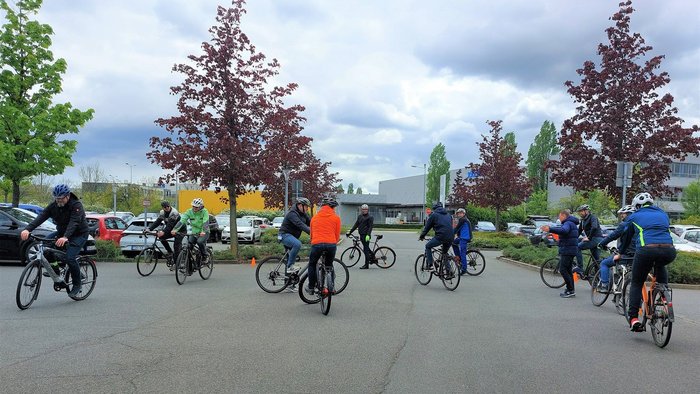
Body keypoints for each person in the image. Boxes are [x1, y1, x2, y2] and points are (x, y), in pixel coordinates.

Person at [619, 193, 676, 332]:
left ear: (637, 206)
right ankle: (663, 297)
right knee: (660, 265)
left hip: (646, 250)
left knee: (637, 282)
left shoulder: (634, 216)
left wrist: (621, 252)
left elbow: (626, 237)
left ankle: (634, 319)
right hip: (669, 251)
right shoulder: (663, 214)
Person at [20, 184, 90, 297]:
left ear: (67, 196)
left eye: (61, 198)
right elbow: (41, 216)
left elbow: (74, 222)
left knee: (70, 257)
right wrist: (27, 229)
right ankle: (56, 271)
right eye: (57, 198)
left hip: (79, 234)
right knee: (46, 247)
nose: (59, 200)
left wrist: (65, 237)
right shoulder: (54, 206)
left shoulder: (76, 205)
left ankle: (77, 284)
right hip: (61, 233)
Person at [305, 196, 341, 295]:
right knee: (329, 266)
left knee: (312, 264)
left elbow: (312, 234)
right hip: (331, 245)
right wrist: (333, 242)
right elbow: (337, 236)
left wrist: (313, 242)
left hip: (317, 244)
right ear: (332, 207)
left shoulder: (314, 218)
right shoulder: (336, 218)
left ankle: (311, 287)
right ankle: (332, 287)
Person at [595, 205, 637, 291]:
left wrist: (601, 244)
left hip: (625, 254)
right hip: (638, 255)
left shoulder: (624, 225)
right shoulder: (639, 225)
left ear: (629, 214)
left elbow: (612, 236)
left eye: (623, 214)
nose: (621, 216)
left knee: (604, 263)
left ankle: (605, 285)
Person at [542, 210, 580, 298]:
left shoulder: (568, 223)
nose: (559, 218)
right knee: (568, 270)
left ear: (564, 215)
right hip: (571, 249)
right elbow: (566, 234)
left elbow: (564, 231)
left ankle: (570, 290)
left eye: (560, 216)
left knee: (563, 270)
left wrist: (550, 229)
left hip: (568, 250)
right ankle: (570, 290)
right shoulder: (571, 223)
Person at [146, 200, 186, 271]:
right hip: (171, 230)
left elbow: (170, 225)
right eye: (165, 207)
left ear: (169, 205)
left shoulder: (174, 212)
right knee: (161, 237)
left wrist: (163, 231)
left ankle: (176, 264)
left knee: (176, 245)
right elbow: (157, 222)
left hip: (180, 230)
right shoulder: (162, 212)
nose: (167, 208)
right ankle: (170, 252)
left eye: (168, 206)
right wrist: (149, 228)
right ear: (163, 208)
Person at [278, 197, 311, 275]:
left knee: (290, 259)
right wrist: (311, 232)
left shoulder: (303, 214)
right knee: (297, 244)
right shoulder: (292, 213)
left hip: (292, 237)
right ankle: (290, 266)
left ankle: (288, 283)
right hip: (284, 235)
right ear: (300, 205)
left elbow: (311, 223)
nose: (307, 208)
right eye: (306, 206)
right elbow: (300, 225)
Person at [419, 202, 454, 273]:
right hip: (451, 237)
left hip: (441, 236)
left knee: (428, 246)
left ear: (434, 208)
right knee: (444, 253)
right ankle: (449, 271)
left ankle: (430, 265)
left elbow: (427, 227)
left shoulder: (434, 215)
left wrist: (422, 236)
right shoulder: (449, 215)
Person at [172, 198, 210, 263]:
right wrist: (175, 229)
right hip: (194, 232)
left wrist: (203, 231)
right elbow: (182, 220)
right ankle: (189, 268)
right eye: (193, 206)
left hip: (204, 232)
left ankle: (205, 255)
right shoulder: (189, 211)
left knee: (200, 242)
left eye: (196, 207)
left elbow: (205, 222)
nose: (194, 208)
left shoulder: (204, 211)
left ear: (201, 207)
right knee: (188, 247)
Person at [575, 204, 603, 278]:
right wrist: (573, 239)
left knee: (577, 247)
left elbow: (594, 227)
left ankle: (580, 267)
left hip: (596, 239)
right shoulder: (583, 220)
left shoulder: (592, 217)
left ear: (586, 211)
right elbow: (579, 230)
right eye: (579, 212)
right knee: (596, 261)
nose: (580, 213)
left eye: (581, 211)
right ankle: (598, 279)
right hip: (594, 240)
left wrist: (589, 238)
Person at [347, 203, 374, 269]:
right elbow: (356, 225)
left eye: (366, 209)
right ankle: (372, 256)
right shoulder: (360, 216)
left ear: (368, 210)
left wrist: (368, 235)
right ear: (361, 210)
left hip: (366, 236)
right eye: (363, 209)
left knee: (366, 250)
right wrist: (350, 232)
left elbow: (370, 227)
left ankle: (366, 265)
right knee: (366, 248)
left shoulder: (370, 217)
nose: (364, 210)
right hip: (361, 235)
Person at [451, 208, 473, 275]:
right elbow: (458, 229)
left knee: (462, 252)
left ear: (463, 214)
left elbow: (456, 228)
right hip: (462, 237)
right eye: (458, 213)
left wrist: (450, 234)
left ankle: (464, 269)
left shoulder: (463, 220)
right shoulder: (463, 219)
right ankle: (458, 257)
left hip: (465, 238)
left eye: (461, 213)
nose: (459, 214)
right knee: (454, 243)